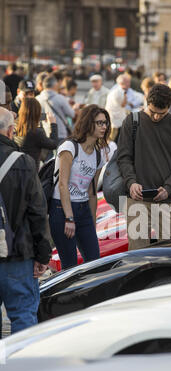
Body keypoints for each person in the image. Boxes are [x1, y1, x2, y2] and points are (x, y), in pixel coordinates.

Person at [117, 83, 171, 250]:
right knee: (137, 257)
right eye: (152, 112)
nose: (156, 117)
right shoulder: (132, 121)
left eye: (162, 114)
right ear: (146, 102)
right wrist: (131, 182)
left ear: (169, 106)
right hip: (136, 200)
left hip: (166, 200)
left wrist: (168, 187)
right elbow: (124, 158)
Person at [0, 107, 51, 337]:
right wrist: (43, 255)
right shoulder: (23, 162)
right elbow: (37, 212)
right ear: (11, 131)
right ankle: (22, 369)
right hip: (18, 253)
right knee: (23, 316)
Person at [48, 105, 110, 270]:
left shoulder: (98, 154)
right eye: (99, 123)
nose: (104, 127)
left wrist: (93, 221)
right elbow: (63, 184)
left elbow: (92, 192)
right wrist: (69, 218)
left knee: (95, 263)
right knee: (70, 266)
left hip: (83, 210)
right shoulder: (69, 147)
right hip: (62, 209)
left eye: (105, 123)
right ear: (88, 123)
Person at [14, 97, 58, 171]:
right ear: (37, 113)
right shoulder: (36, 132)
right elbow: (53, 144)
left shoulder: (14, 125)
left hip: (15, 168)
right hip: (30, 171)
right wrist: (53, 124)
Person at [37, 74, 76, 142]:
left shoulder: (37, 99)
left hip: (44, 135)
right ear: (55, 85)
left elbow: (37, 117)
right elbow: (72, 114)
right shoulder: (60, 98)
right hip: (60, 133)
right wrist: (75, 108)